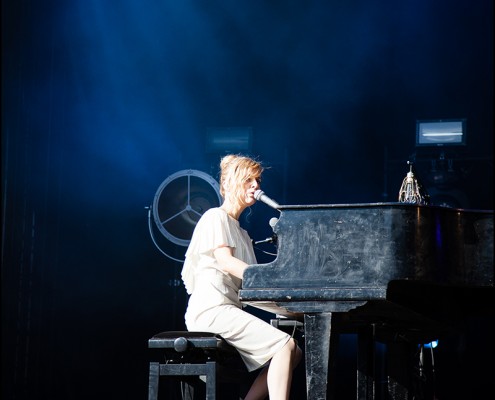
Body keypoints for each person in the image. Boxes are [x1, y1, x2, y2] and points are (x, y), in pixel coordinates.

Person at [181, 154, 302, 400]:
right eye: (249, 180)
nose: (256, 186)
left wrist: (294, 309)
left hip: (228, 310)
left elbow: (252, 291)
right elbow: (226, 262)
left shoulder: (243, 234)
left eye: (257, 180)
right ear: (231, 184)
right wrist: (270, 286)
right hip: (210, 311)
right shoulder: (215, 216)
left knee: (294, 352)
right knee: (284, 346)